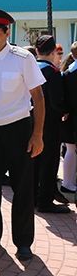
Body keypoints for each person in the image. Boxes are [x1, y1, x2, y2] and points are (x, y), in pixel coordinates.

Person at [0, 8, 45, 262]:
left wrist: (37, 134)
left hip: (18, 129)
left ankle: (23, 242)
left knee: (23, 188)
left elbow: (38, 97)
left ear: (7, 32)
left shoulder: (23, 57)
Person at [34, 34, 70, 213]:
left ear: (37, 50)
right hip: (50, 125)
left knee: (34, 162)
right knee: (49, 163)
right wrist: (66, 111)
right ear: (54, 50)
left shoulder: (33, 68)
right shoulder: (53, 73)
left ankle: (33, 197)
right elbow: (57, 102)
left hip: (32, 122)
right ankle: (45, 201)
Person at [61, 42, 77, 195]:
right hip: (72, 117)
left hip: (69, 117)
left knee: (70, 150)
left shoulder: (67, 73)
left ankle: (68, 182)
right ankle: (69, 182)